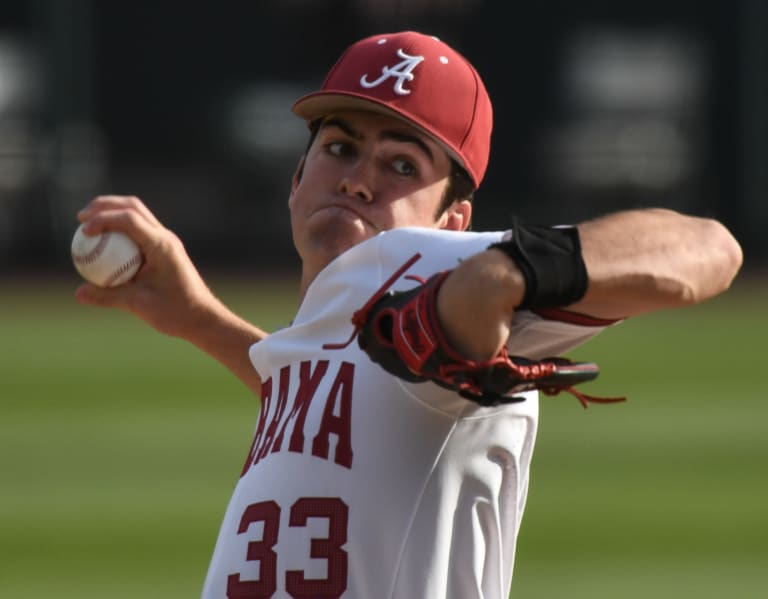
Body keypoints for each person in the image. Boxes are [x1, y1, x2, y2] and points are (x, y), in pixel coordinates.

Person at [75, 31, 742, 599]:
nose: (358, 179)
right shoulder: (334, 318)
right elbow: (348, 402)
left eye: (401, 163)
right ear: (296, 177)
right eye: (339, 148)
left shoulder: (426, 264)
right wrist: (202, 320)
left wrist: (509, 269)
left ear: (454, 222)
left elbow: (709, 247)